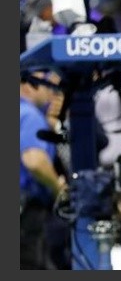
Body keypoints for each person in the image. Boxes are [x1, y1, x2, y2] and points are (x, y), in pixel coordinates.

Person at [20, 71, 66, 269]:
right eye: (47, 86)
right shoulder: (30, 115)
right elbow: (34, 160)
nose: (51, 93)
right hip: (27, 211)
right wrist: (58, 187)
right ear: (29, 86)